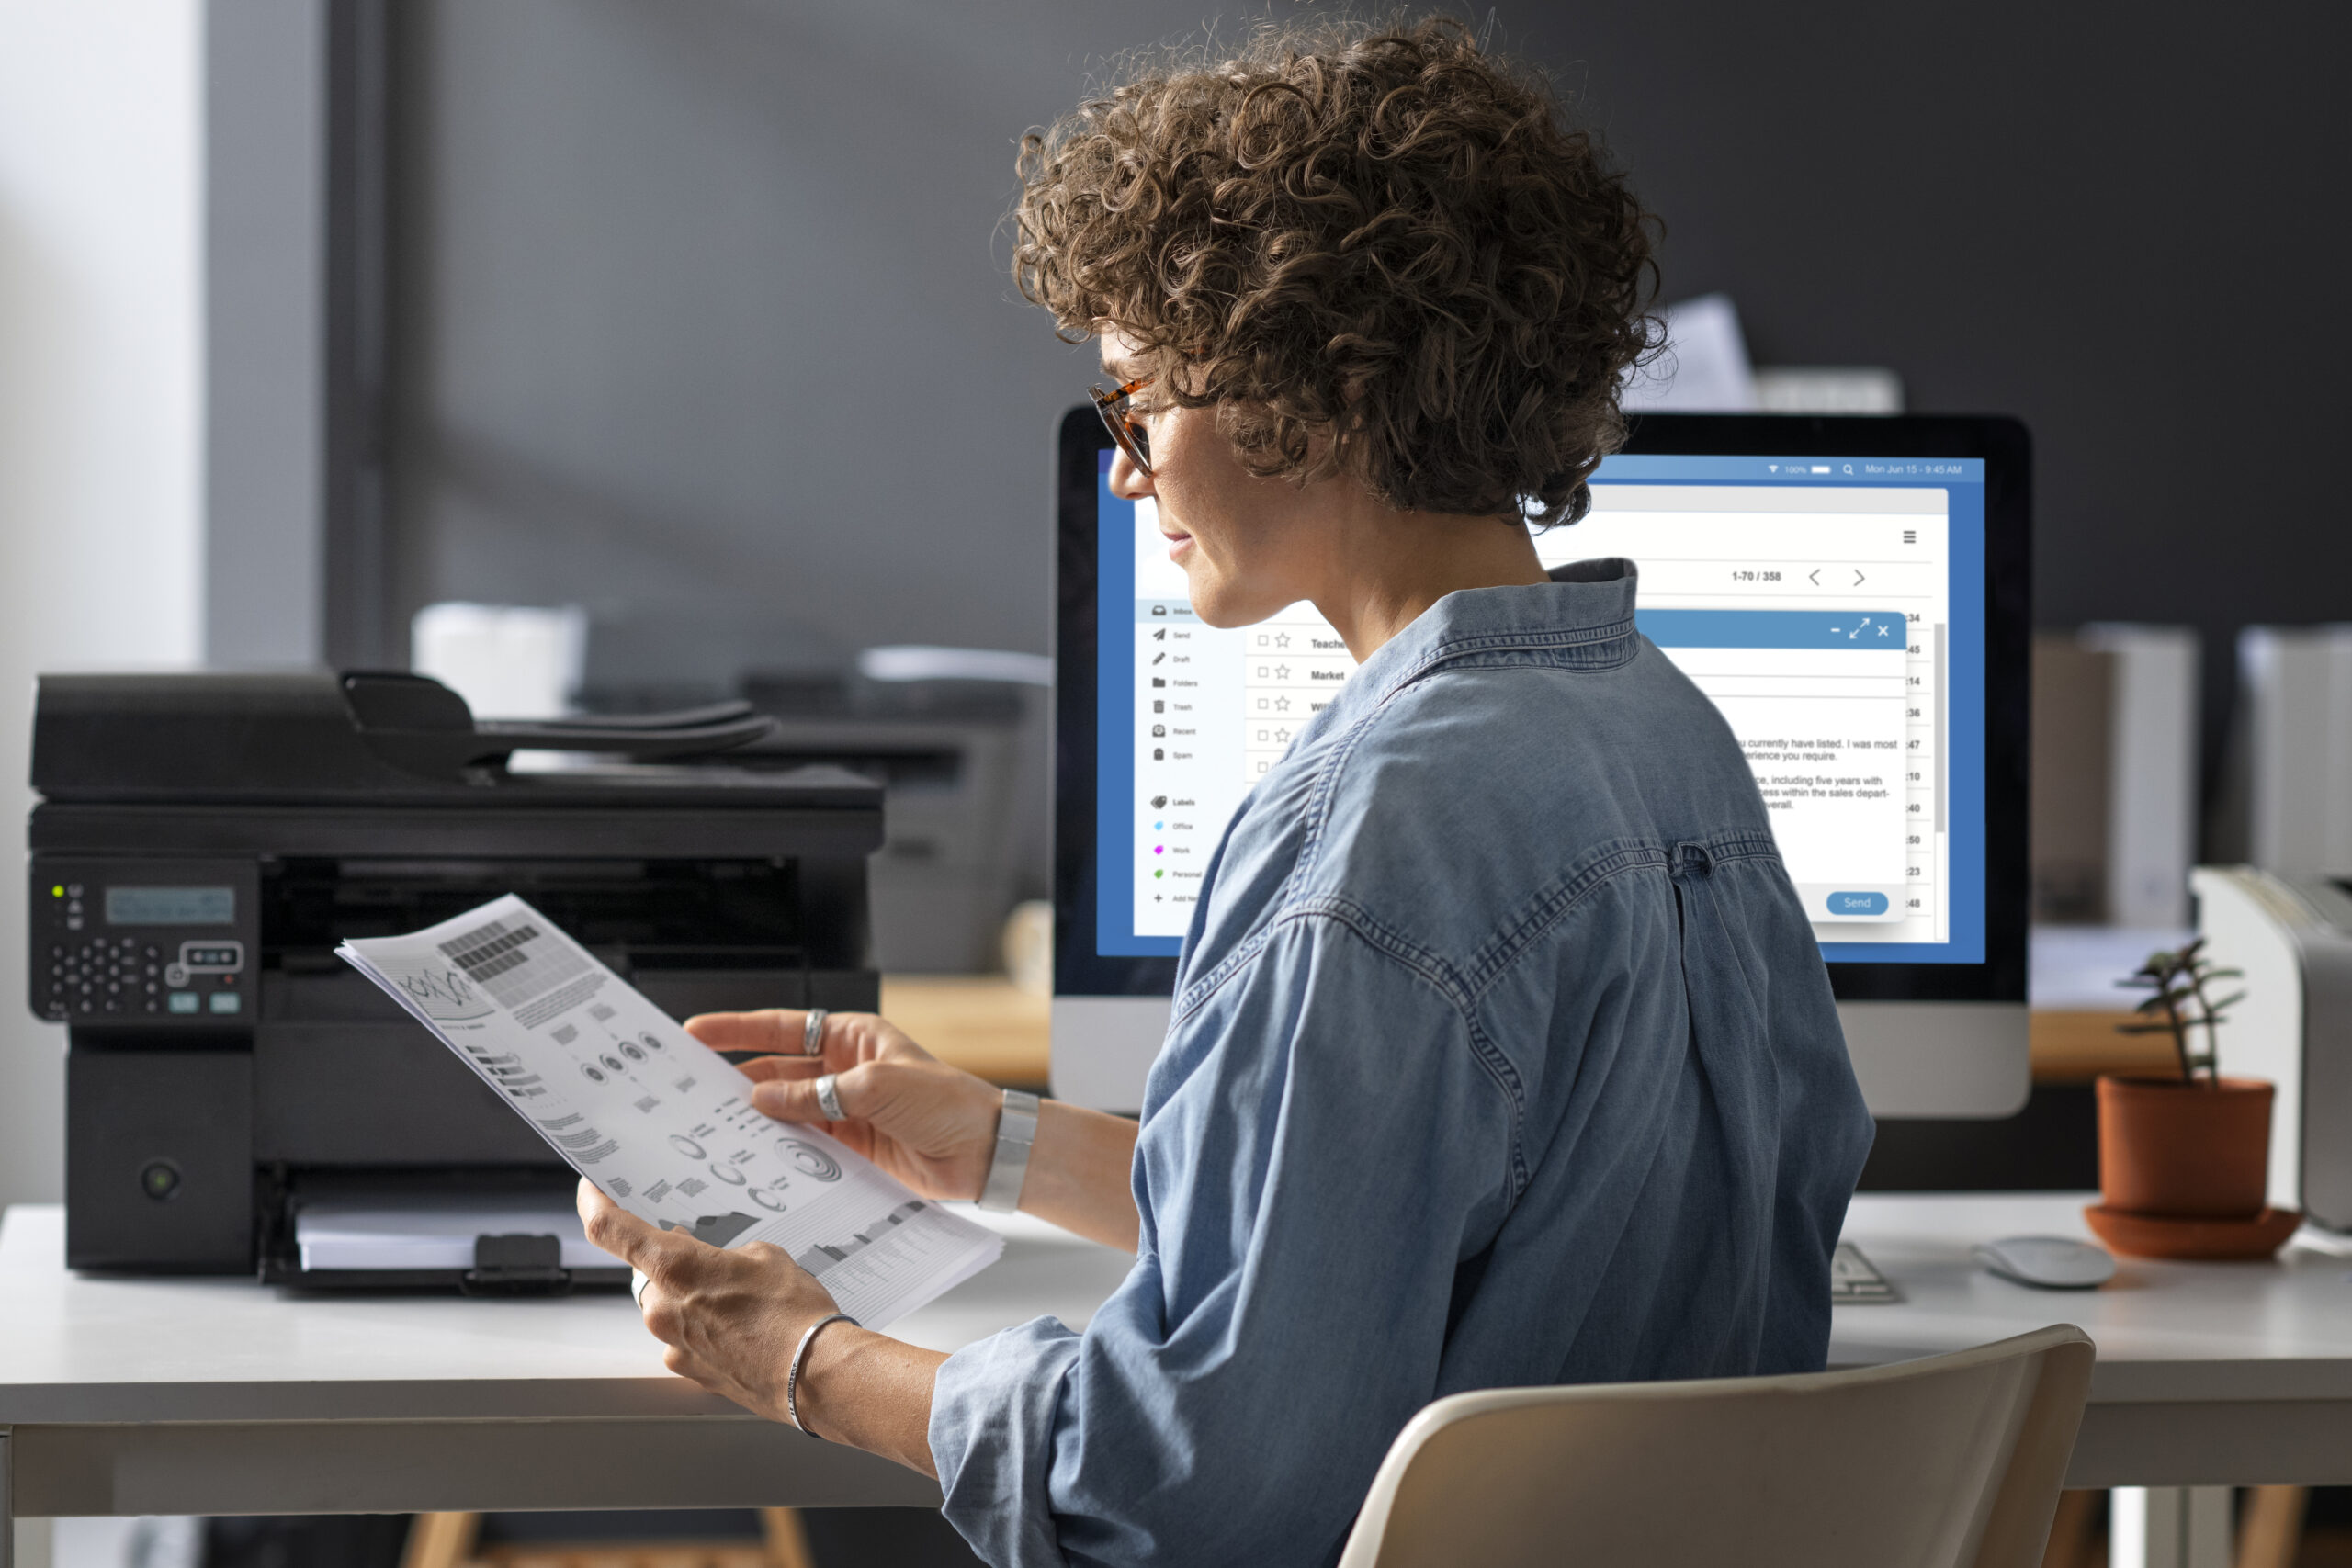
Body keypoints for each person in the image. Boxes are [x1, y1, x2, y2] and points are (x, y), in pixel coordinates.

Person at [580, 16, 1875, 1566]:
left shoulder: (1373, 834)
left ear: (1310, 388)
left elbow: (1190, 1481)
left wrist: (802, 1360)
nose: (1125, 470)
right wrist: (997, 1142)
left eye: (1139, 401)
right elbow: (1417, 1235)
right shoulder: (1672, 737)